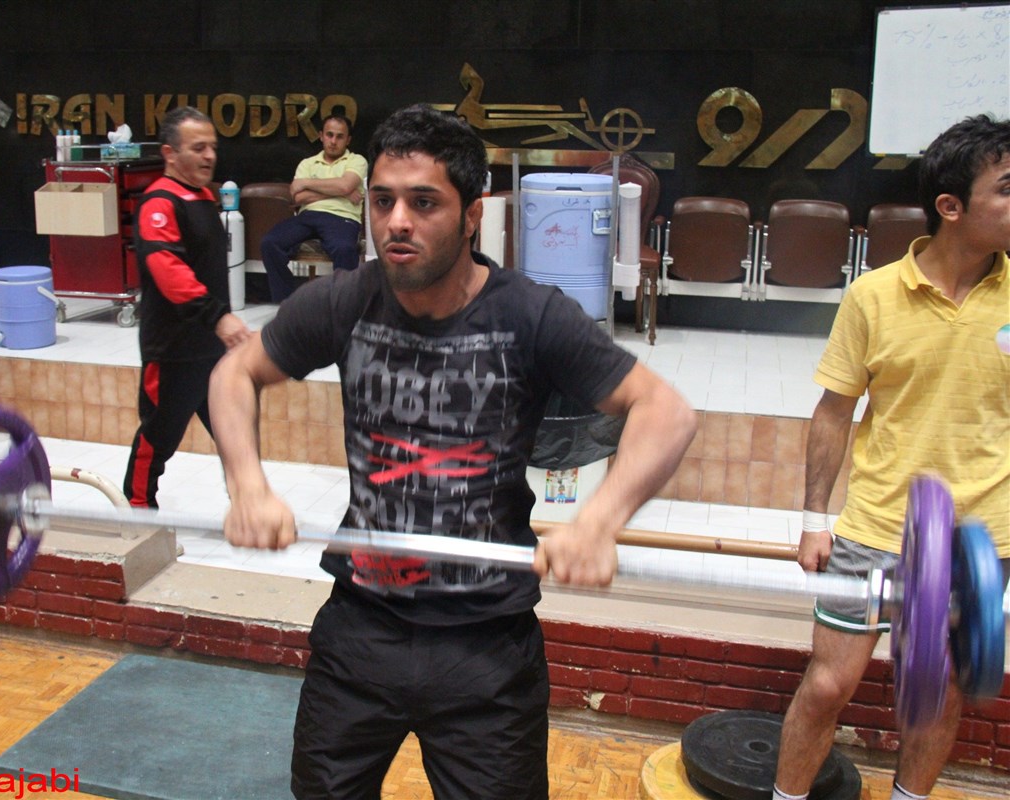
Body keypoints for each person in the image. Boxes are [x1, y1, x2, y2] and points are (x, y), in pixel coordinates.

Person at [209, 104, 696, 799]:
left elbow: (666, 412)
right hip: (360, 629)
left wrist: (599, 521)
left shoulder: (530, 314)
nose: (396, 222)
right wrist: (247, 486)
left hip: (486, 649)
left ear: (472, 215)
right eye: (383, 201)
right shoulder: (345, 301)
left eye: (423, 202)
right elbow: (235, 373)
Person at [773, 114, 1010, 800]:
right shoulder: (873, 296)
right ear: (951, 206)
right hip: (876, 527)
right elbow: (833, 411)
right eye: (1006, 188)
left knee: (943, 690)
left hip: (983, 536)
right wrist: (814, 519)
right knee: (828, 685)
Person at [121, 107, 250, 509]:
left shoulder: (203, 197)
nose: (209, 156)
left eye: (213, 147)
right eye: (198, 148)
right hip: (174, 350)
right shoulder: (159, 203)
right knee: (158, 437)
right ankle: (137, 510)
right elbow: (168, 269)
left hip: (212, 348)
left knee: (235, 434)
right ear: (170, 153)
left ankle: (249, 504)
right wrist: (218, 316)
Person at [261, 114, 367, 302]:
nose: (333, 141)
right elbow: (298, 197)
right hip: (307, 216)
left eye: (340, 136)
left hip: (342, 217)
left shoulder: (357, 160)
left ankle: (343, 306)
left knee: (344, 249)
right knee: (270, 243)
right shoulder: (307, 163)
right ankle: (288, 302)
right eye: (329, 135)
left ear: (348, 140)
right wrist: (340, 191)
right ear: (321, 136)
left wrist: (307, 183)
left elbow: (345, 185)